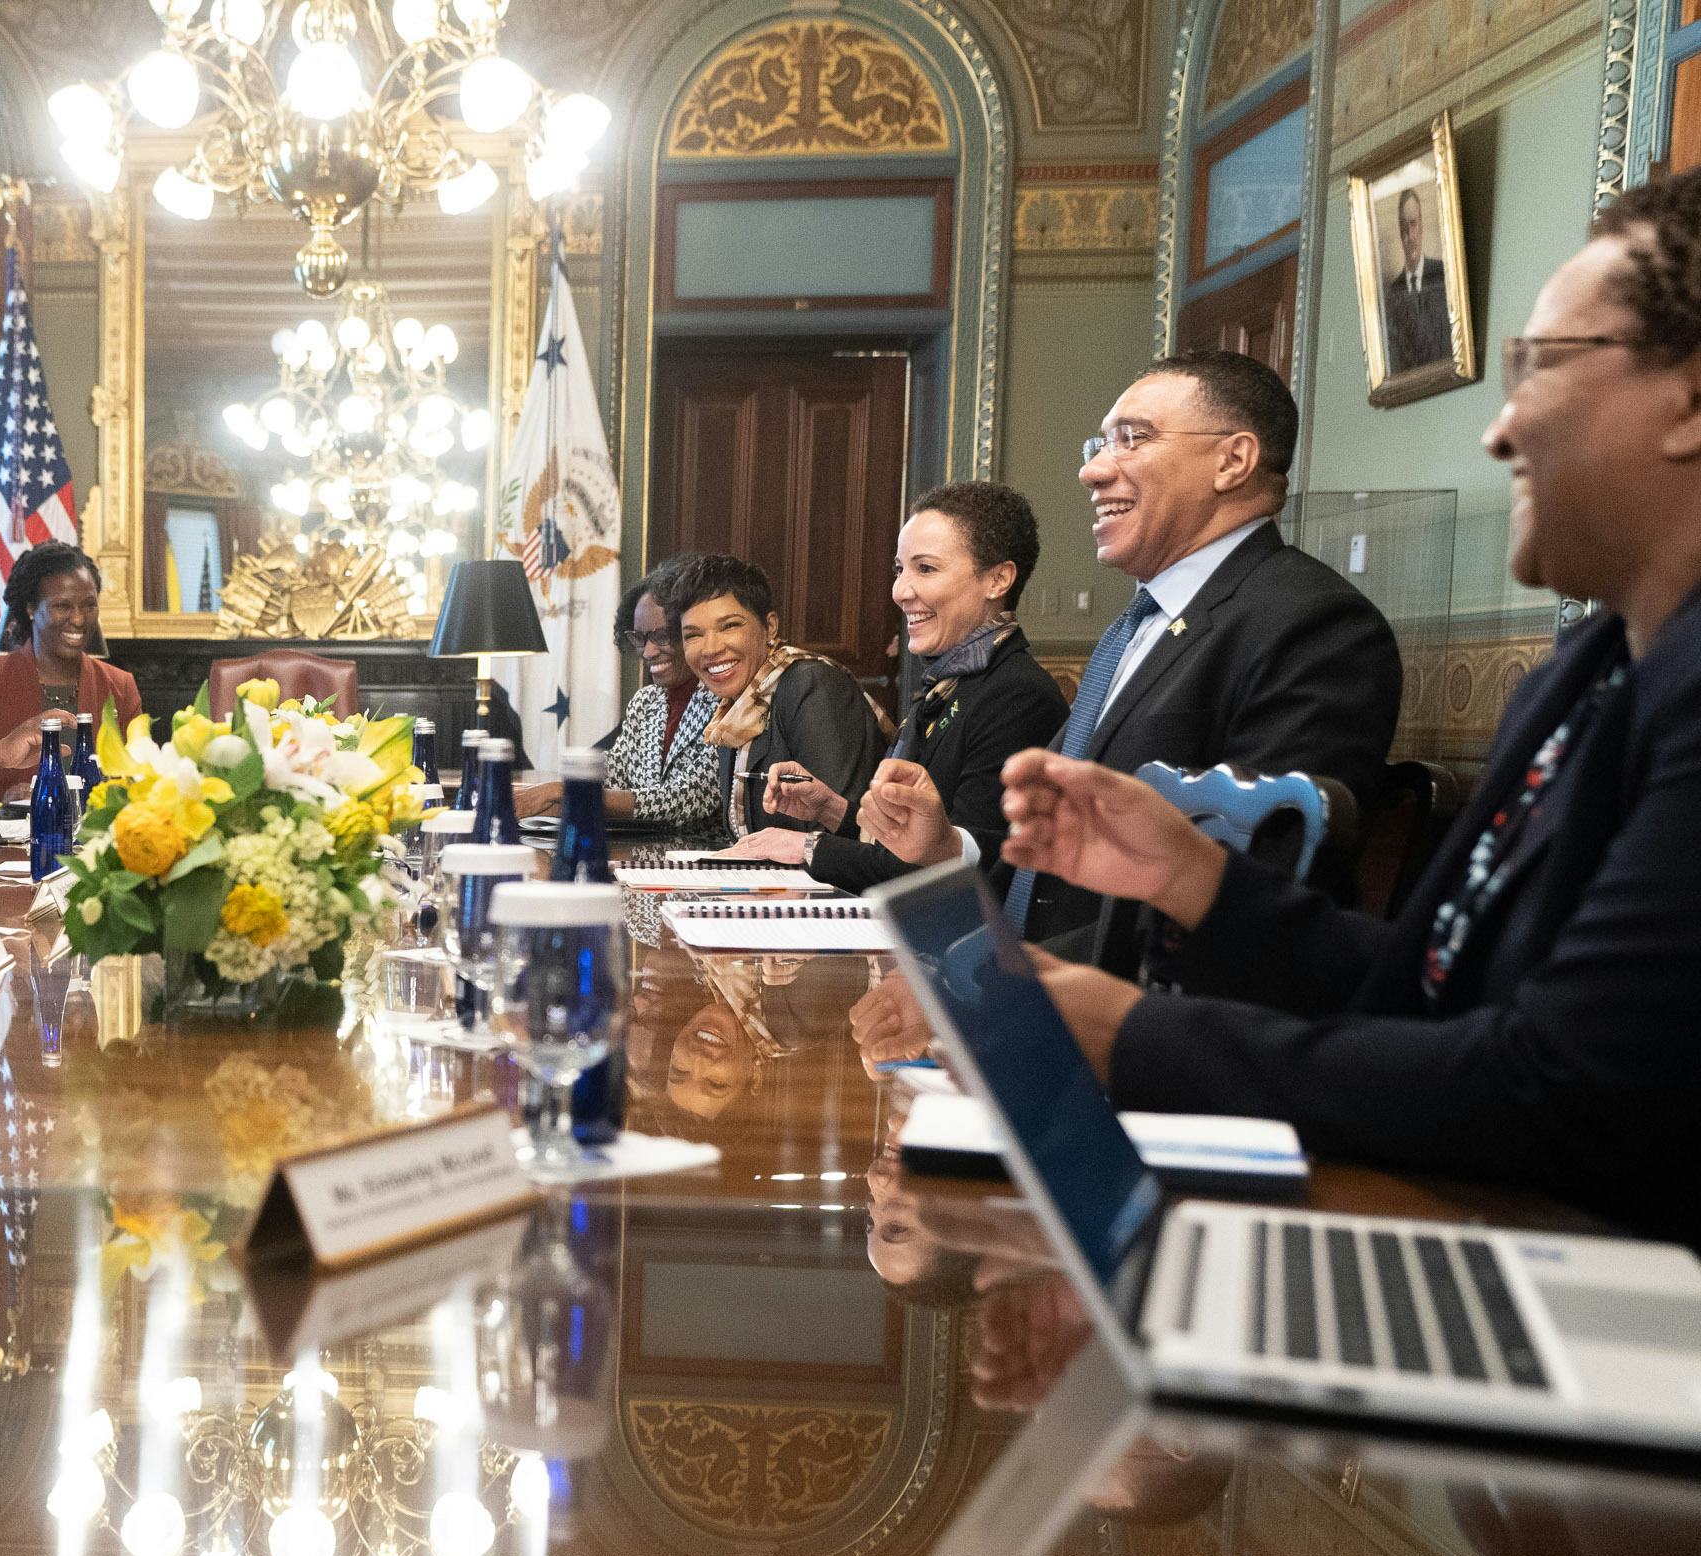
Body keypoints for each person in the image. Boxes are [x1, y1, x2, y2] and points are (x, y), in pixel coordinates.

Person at [992, 167, 1701, 1248]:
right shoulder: (1581, 675)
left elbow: (1562, 1091)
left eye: (1541, 367)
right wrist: (1199, 881)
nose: (1500, 431)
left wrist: (1135, 1038)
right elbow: (1427, 993)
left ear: (1687, 399)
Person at [860, 349, 1403, 965]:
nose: (1093, 471)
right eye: (1100, 444)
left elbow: (1249, 898)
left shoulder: (1314, 628)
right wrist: (944, 848)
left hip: (1124, 1009)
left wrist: (1017, 979)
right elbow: (1052, 867)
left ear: (1232, 461)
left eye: (1132, 439)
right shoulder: (1137, 626)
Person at [729, 484, 1067, 888]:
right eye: (899, 570)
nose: (900, 591)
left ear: (998, 580)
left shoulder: (1017, 696)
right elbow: (907, 845)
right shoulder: (949, 682)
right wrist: (832, 809)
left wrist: (810, 848)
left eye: (925, 569)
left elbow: (962, 864)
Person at [647, 552, 885, 849]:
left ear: (770, 626)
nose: (710, 649)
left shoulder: (811, 685)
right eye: (693, 635)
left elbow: (841, 834)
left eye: (729, 626)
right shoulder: (731, 710)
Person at [513, 561, 714, 826]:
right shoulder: (646, 701)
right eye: (640, 638)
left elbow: (689, 798)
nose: (648, 652)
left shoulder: (722, 700)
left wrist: (558, 791)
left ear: (691, 633)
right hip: (638, 846)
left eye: (662, 636)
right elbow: (613, 774)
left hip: (704, 851)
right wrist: (539, 797)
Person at [0, 542, 143, 799]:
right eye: (62, 606)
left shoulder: (120, 686)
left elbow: (139, 782)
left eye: (89, 605)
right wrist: (1, 803)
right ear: (31, 608)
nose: (79, 619)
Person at [1385, 187, 1456, 373]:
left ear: (1422, 226)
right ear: (1399, 232)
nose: (1410, 235)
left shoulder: (1444, 275)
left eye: (1413, 224)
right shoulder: (1393, 293)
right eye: (1404, 227)